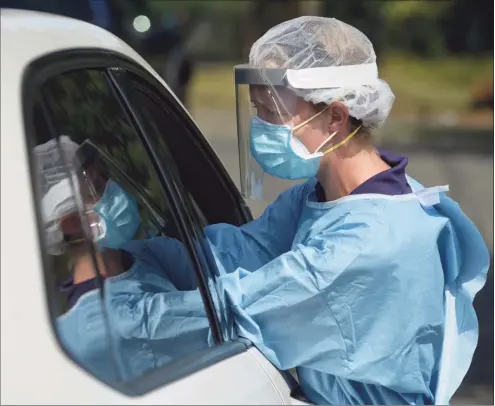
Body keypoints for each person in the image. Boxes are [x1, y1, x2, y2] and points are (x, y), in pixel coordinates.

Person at [200, 16, 489, 404]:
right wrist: (145, 252)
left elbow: (237, 306)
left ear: (335, 116)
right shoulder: (319, 196)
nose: (260, 127)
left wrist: (116, 308)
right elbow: (238, 252)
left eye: (271, 114)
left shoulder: (369, 240)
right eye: (256, 111)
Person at [37, 137, 210, 384]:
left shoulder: (141, 257)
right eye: (96, 186)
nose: (113, 191)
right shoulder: (97, 326)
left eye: (104, 178)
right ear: (71, 223)